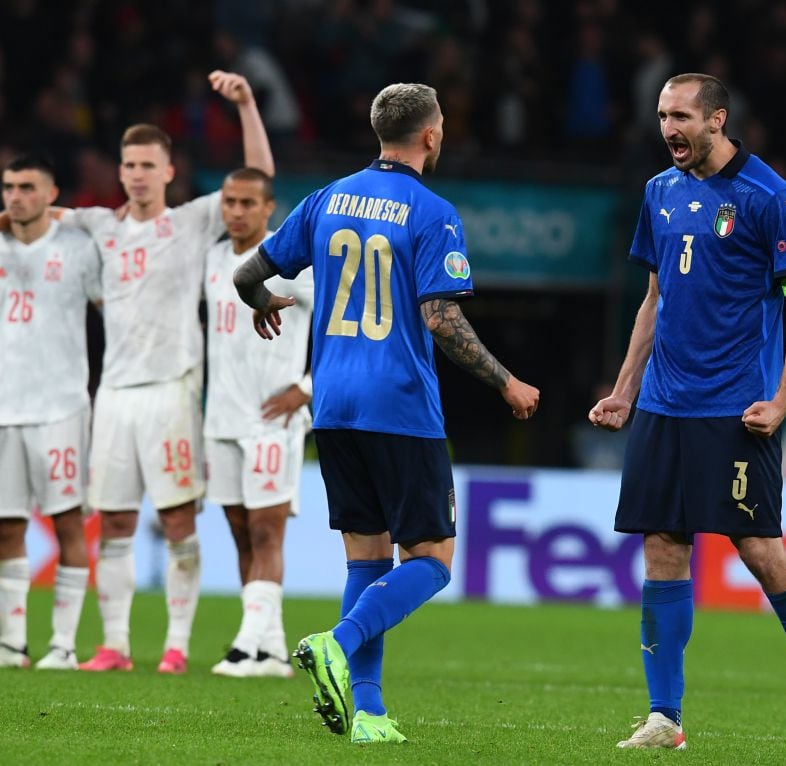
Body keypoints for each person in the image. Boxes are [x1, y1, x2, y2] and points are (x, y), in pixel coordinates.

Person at [233, 82, 540, 745]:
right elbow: (441, 317)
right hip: (398, 405)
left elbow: (246, 275)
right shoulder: (432, 213)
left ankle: (368, 714)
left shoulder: (325, 199)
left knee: (366, 561)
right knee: (431, 560)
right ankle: (338, 643)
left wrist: (263, 303)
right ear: (431, 134)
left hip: (335, 404)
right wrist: (505, 380)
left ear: (380, 130)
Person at [589, 73, 786, 756]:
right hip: (662, 404)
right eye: (660, 116)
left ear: (718, 119)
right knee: (662, 546)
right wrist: (625, 387)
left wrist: (785, 400)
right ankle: (664, 717)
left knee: (759, 550)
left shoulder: (771, 198)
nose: (669, 129)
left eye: (681, 116)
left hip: (734, 409)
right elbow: (654, 298)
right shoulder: (659, 192)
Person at [65, 71, 274, 674]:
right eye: (128, 164)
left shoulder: (189, 223)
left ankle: (177, 647)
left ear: (167, 170)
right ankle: (115, 646)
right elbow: (34, 214)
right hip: (114, 395)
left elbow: (259, 177)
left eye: (146, 165)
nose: (135, 174)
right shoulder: (98, 226)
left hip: (173, 389)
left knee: (178, 519)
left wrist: (246, 105)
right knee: (116, 522)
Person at [205, 168, 313, 678]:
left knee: (267, 533)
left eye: (248, 202)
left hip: (273, 419)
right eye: (230, 201)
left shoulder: (291, 264)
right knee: (240, 534)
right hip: (220, 419)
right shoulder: (210, 258)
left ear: (269, 208)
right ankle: (272, 649)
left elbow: (342, 323)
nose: (237, 211)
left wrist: (307, 387)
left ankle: (246, 645)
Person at [0, 154, 100, 670]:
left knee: (67, 524)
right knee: (6, 528)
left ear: (50, 194)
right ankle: (12, 643)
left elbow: (116, 307)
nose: (15, 196)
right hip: (3, 409)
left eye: (25, 187)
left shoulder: (78, 249)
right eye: (8, 187)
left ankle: (63, 643)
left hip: (60, 406)